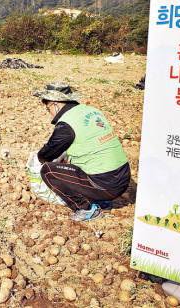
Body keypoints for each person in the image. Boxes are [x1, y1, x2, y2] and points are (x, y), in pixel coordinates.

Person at [32, 82, 130, 222]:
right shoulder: (91, 111)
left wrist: (40, 157)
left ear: (56, 104)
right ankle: (100, 199)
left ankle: (86, 208)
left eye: (48, 108)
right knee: (71, 159)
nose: (49, 113)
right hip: (123, 177)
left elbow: (46, 155)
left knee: (48, 171)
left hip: (106, 185)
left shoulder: (66, 124)